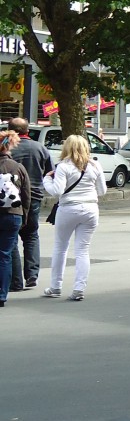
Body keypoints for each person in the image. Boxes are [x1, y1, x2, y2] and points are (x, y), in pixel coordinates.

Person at [41, 133, 105, 301]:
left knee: (60, 248)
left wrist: (46, 180)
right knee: (83, 250)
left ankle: (55, 286)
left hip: (69, 208)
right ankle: (79, 288)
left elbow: (57, 191)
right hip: (91, 208)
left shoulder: (63, 166)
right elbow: (102, 191)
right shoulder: (95, 165)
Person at [7, 117, 49, 293]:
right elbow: (49, 172)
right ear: (28, 131)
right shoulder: (40, 148)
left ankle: (15, 279)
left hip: (11, 198)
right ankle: (32, 275)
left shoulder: (8, 147)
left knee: (11, 238)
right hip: (35, 196)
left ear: (10, 130)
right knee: (31, 235)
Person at [0, 130, 31, 308]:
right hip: (13, 214)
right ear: (10, 146)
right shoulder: (18, 167)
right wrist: (24, 217)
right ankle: (2, 293)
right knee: (5, 254)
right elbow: (26, 196)